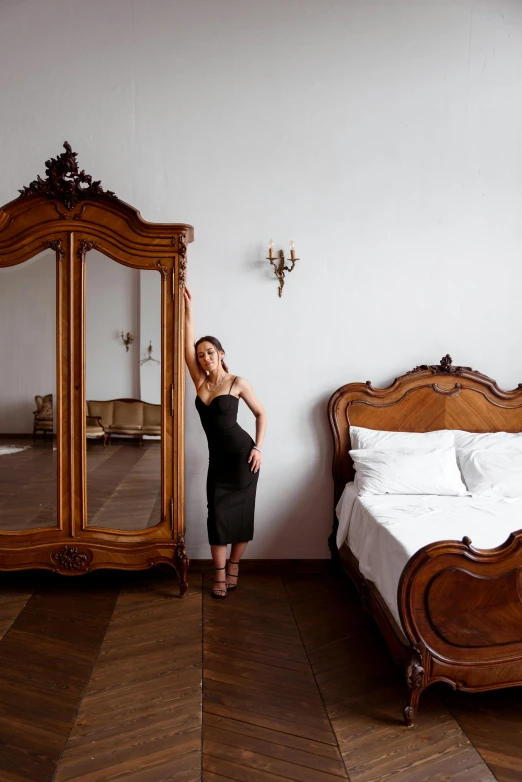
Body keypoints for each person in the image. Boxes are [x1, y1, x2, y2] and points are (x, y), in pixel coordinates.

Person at [184, 287, 266, 599]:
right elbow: (185, 346)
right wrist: (188, 311)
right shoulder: (201, 383)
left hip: (244, 458)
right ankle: (218, 574)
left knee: (243, 517)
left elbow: (261, 414)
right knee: (216, 516)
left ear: (222, 354)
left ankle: (233, 566)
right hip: (217, 462)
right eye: (201, 353)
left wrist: (258, 447)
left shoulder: (237, 383)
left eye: (210, 352)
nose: (204, 357)